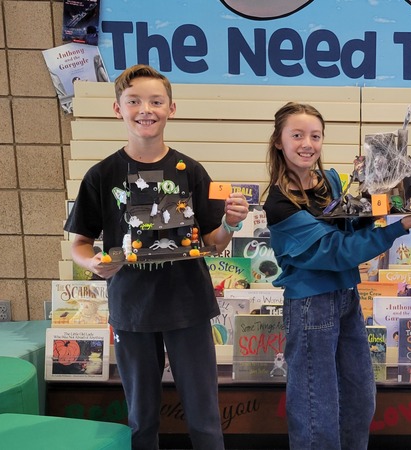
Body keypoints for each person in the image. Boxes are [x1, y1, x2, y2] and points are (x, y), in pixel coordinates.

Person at [65, 64, 248, 450]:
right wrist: (93, 262)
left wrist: (230, 224)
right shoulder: (101, 175)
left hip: (188, 306)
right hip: (133, 309)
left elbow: (213, 243)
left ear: (171, 109)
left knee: (204, 419)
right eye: (134, 101)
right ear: (118, 109)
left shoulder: (191, 171)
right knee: (141, 419)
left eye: (156, 101)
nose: (145, 110)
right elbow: (79, 243)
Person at [262, 102, 411, 449]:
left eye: (315, 136)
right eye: (297, 135)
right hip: (310, 305)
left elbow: (352, 227)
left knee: (359, 401)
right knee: (317, 410)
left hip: (346, 298)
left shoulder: (330, 181)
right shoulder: (279, 204)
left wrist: (380, 197)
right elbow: (337, 251)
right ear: (279, 141)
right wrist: (397, 228)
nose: (307, 144)